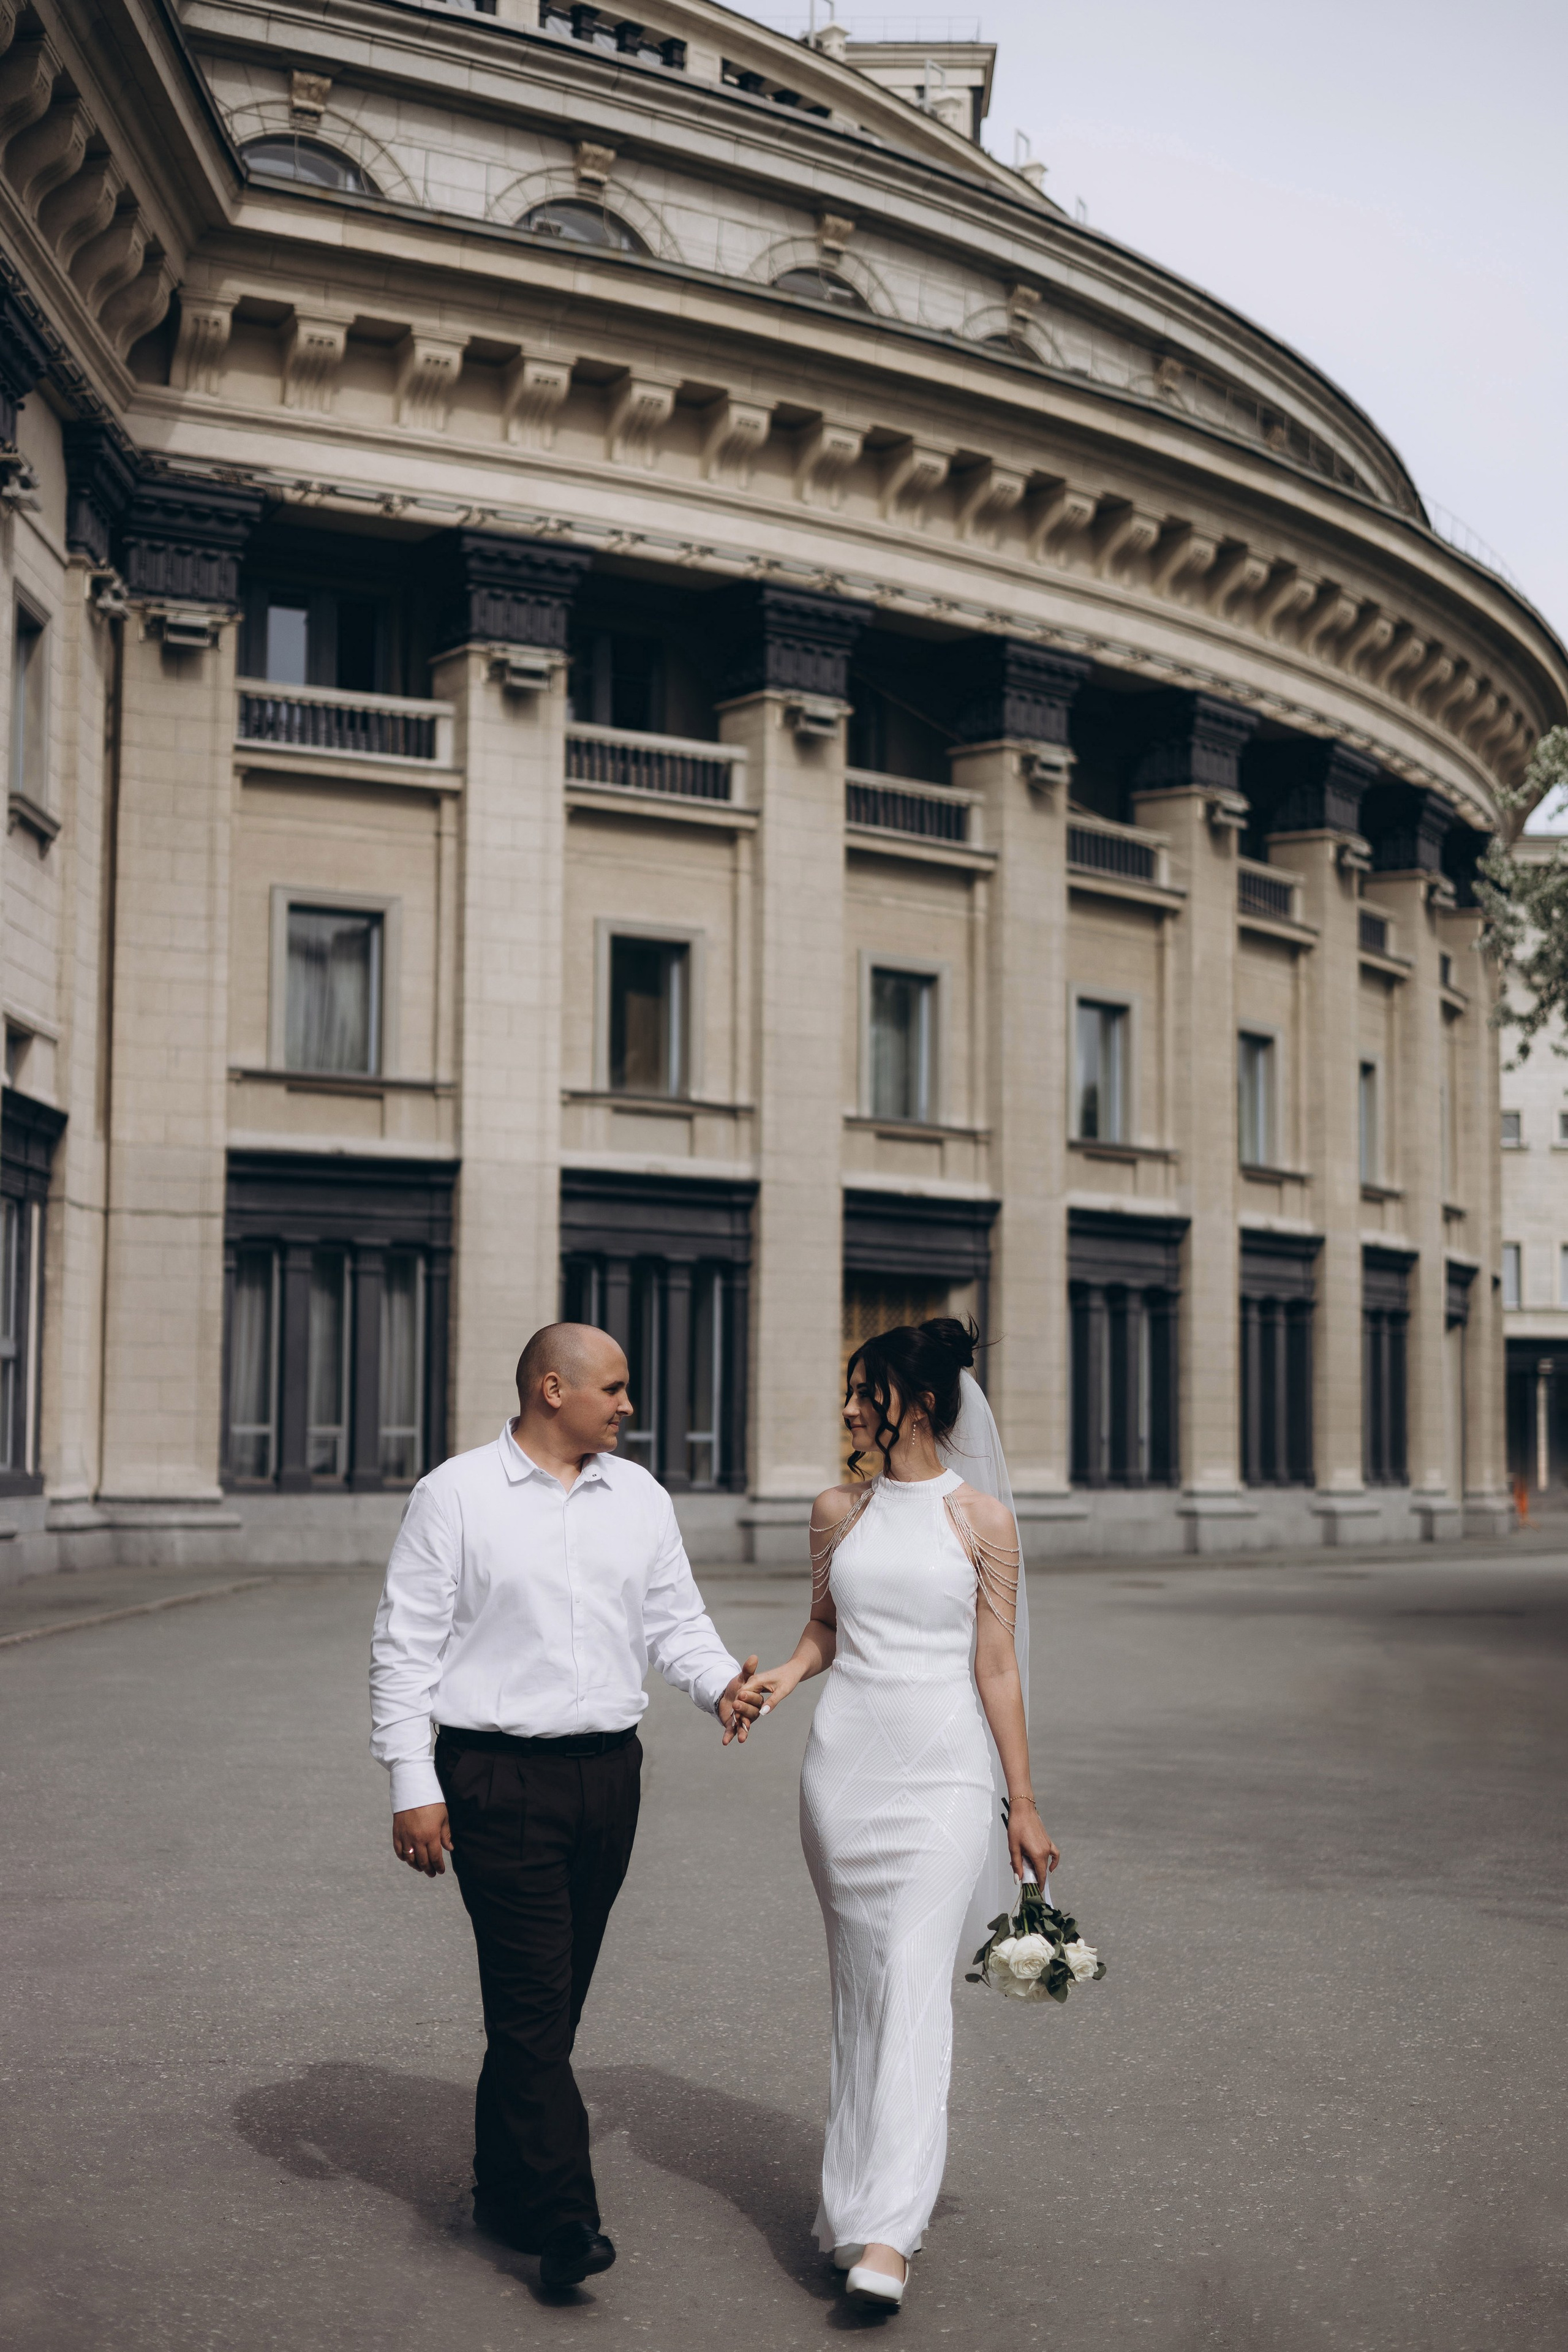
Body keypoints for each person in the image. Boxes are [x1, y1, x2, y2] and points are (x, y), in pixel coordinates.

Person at [368, 1322, 759, 2292]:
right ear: (554, 1389)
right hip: (494, 1779)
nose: (630, 1405)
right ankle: (563, 2220)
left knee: (548, 2004)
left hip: (607, 1779)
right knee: (535, 2004)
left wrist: (720, 1686)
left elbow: (675, 1623)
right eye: (616, 1388)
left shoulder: (641, 1497)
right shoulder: (454, 1495)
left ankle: (503, 2190)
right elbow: (404, 1647)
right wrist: (412, 1784)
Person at [734, 1319, 1058, 2312]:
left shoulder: (985, 1523)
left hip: (947, 1774)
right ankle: (849, 2208)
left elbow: (996, 1669)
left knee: (916, 1988)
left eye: (863, 1391)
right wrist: (782, 1678)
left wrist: (1024, 1804)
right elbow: (826, 1627)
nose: (847, 1409)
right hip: (846, 1775)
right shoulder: (838, 1509)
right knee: (864, 1992)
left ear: (916, 1401)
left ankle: (890, 2232)